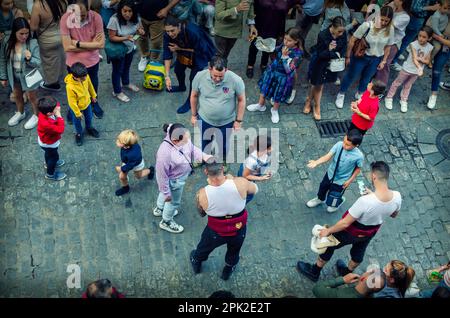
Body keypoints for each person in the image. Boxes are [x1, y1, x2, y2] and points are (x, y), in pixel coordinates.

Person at [298, 161, 402, 282]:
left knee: (329, 246)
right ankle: (347, 272)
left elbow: (345, 223)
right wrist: (374, 196)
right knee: (359, 251)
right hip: (370, 232)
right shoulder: (397, 196)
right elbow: (394, 214)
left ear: (373, 176)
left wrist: (328, 231)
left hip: (351, 231)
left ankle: (314, 271)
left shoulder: (365, 201)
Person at [190, 161, 258, 280]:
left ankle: (197, 261)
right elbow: (255, 189)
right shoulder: (240, 183)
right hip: (238, 229)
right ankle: (228, 270)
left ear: (206, 172)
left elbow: (201, 214)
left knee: (203, 247)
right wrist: (233, 179)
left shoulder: (202, 194)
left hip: (216, 232)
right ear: (222, 168)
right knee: (234, 251)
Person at [154, 123, 212, 234]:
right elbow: (162, 177)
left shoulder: (179, 134)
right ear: (175, 140)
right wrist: (167, 194)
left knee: (164, 193)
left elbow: (191, 148)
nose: (187, 142)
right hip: (174, 180)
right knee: (173, 202)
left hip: (177, 177)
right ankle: (166, 221)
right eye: (185, 141)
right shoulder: (164, 155)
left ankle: (159, 208)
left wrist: (204, 156)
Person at [335, 5, 394, 109]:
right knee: (351, 76)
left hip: (376, 58)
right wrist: (348, 56)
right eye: (382, 19)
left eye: (387, 21)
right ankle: (341, 94)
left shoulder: (390, 30)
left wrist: (384, 61)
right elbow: (352, 40)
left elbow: (388, 47)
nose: (384, 23)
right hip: (361, 56)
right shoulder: (367, 26)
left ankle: (360, 94)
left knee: (367, 79)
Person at [190, 56, 245, 166]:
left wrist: (238, 121)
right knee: (205, 140)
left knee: (224, 144)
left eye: (221, 76)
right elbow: (194, 96)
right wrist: (193, 115)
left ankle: (223, 161)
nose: (218, 79)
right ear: (210, 68)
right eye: (215, 75)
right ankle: (204, 157)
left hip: (226, 122)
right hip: (205, 119)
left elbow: (241, 100)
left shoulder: (236, 80)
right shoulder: (199, 77)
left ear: (226, 69)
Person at [246, 27, 303, 124]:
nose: (286, 42)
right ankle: (260, 105)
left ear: (296, 41)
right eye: (285, 39)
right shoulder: (284, 45)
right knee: (264, 88)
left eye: (289, 40)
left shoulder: (297, 54)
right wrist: (267, 46)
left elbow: (289, 70)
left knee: (278, 94)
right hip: (272, 71)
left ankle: (275, 110)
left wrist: (285, 57)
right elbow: (276, 50)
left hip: (282, 77)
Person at [60, 0, 105, 119]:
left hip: (92, 61)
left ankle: (94, 102)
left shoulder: (96, 18)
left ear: (89, 9)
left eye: (83, 15)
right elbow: (67, 46)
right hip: (73, 63)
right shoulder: (65, 19)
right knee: (73, 87)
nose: (80, 18)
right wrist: (91, 45)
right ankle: (73, 107)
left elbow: (100, 44)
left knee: (93, 83)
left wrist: (77, 43)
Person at [163, 15, 216, 114]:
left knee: (193, 78)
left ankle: (190, 101)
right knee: (177, 70)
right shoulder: (167, 34)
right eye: (167, 31)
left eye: (172, 31)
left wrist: (179, 49)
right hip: (182, 51)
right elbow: (167, 54)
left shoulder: (193, 32)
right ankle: (181, 87)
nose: (170, 34)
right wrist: (167, 76)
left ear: (179, 26)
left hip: (199, 54)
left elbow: (201, 50)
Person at [306, 129, 364, 213]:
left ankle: (336, 203)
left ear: (356, 145)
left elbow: (358, 169)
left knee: (334, 196)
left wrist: (349, 181)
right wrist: (316, 162)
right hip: (330, 174)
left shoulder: (359, 156)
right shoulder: (339, 145)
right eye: (344, 142)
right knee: (322, 187)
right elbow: (328, 156)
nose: (344, 145)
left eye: (347, 145)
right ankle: (320, 199)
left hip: (341, 181)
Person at [0, 17, 41, 130]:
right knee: (17, 95)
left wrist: (29, 58)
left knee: (32, 97)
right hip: (13, 75)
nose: (24, 36)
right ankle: (20, 112)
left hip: (29, 76)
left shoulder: (32, 43)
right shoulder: (7, 42)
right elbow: (3, 59)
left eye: (26, 33)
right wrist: (3, 76)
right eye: (21, 33)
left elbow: (38, 62)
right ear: (14, 32)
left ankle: (36, 115)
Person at [303, 16, 347, 120]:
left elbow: (343, 48)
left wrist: (334, 53)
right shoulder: (323, 35)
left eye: (342, 31)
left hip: (332, 65)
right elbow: (320, 54)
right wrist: (332, 52)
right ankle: (315, 105)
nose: (341, 34)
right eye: (339, 31)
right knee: (317, 84)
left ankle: (310, 101)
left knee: (317, 84)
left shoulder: (343, 34)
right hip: (320, 64)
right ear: (333, 27)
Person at [245, 0, 300, 79]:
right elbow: (251, 7)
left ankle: (264, 64)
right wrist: (251, 24)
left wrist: (297, 7)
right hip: (259, 26)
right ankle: (250, 65)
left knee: (269, 47)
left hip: (275, 28)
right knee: (254, 46)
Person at [385, 26, 433, 112]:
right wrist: (420, 67)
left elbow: (428, 60)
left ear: (429, 38)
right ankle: (389, 97)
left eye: (424, 37)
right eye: (420, 36)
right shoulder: (413, 44)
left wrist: (421, 61)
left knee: (408, 85)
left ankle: (403, 99)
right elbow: (415, 58)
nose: (421, 39)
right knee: (397, 82)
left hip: (416, 72)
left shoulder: (429, 47)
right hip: (407, 69)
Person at [107, 0, 144, 103]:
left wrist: (140, 32)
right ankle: (117, 91)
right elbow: (111, 37)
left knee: (126, 67)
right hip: (118, 50)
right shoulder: (114, 20)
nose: (127, 14)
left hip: (130, 48)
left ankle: (126, 83)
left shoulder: (136, 17)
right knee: (117, 70)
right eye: (125, 11)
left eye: (130, 11)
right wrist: (125, 38)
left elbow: (138, 30)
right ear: (120, 10)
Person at [30, 0, 67, 92]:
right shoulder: (62, 2)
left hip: (47, 40)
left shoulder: (38, 5)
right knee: (58, 57)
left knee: (49, 62)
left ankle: (52, 83)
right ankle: (59, 76)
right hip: (61, 36)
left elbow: (33, 27)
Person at [136, 0, 180, 72]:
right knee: (141, 38)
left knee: (156, 41)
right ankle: (144, 56)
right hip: (141, 16)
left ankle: (153, 60)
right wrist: (136, 18)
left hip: (158, 18)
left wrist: (166, 9)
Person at [392, 0, 440, 66]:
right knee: (404, 41)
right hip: (416, 18)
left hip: (412, 17)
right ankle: (393, 60)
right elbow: (415, 8)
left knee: (401, 39)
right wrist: (431, 7)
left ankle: (394, 55)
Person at [375, 0, 411, 84]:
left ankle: (380, 88)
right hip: (382, 40)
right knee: (377, 61)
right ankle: (373, 82)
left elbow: (387, 24)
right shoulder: (393, 8)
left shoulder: (405, 17)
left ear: (402, 2)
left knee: (384, 65)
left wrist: (387, 9)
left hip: (393, 44)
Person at [64, 62, 100, 146]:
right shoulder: (70, 87)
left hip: (87, 103)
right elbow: (71, 102)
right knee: (77, 121)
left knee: (89, 117)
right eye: (82, 78)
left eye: (85, 76)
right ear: (75, 77)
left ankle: (89, 128)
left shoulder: (85, 76)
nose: (85, 78)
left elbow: (90, 86)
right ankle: (79, 133)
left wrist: (93, 95)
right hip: (77, 108)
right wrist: (77, 113)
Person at [114, 129, 155, 196]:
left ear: (126, 144)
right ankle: (125, 188)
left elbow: (130, 165)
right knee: (122, 177)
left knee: (138, 176)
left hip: (136, 164)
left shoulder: (133, 154)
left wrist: (121, 168)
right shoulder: (128, 145)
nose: (117, 141)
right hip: (127, 162)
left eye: (119, 141)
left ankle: (150, 170)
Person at [37, 96, 66, 181]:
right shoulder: (46, 123)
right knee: (54, 157)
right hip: (49, 143)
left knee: (48, 155)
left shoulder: (44, 110)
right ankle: (50, 174)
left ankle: (47, 163)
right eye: (55, 109)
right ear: (49, 113)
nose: (57, 108)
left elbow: (56, 104)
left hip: (45, 141)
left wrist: (57, 108)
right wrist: (59, 116)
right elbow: (60, 129)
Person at [237, 135, 272, 203]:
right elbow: (245, 175)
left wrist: (266, 171)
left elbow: (266, 162)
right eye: (270, 147)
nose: (272, 149)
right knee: (248, 194)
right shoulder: (252, 161)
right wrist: (261, 178)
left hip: (255, 172)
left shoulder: (267, 153)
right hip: (246, 175)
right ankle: (240, 202)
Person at [312, 268, 386, 298]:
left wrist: (343, 279)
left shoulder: (341, 295)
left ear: (363, 278)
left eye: (367, 272)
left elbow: (317, 289)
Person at [427, 19, 450, 109]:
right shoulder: (444, 13)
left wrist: (437, 37)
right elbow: (428, 24)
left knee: (436, 72)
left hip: (445, 49)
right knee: (417, 65)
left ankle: (433, 94)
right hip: (429, 42)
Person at [427, 0, 450, 66]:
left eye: (448, 9)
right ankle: (429, 60)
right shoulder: (436, 16)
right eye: (445, 8)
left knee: (441, 48)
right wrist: (439, 34)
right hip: (436, 34)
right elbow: (434, 27)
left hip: (441, 34)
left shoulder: (445, 14)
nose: (446, 10)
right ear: (439, 6)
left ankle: (431, 57)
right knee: (437, 48)